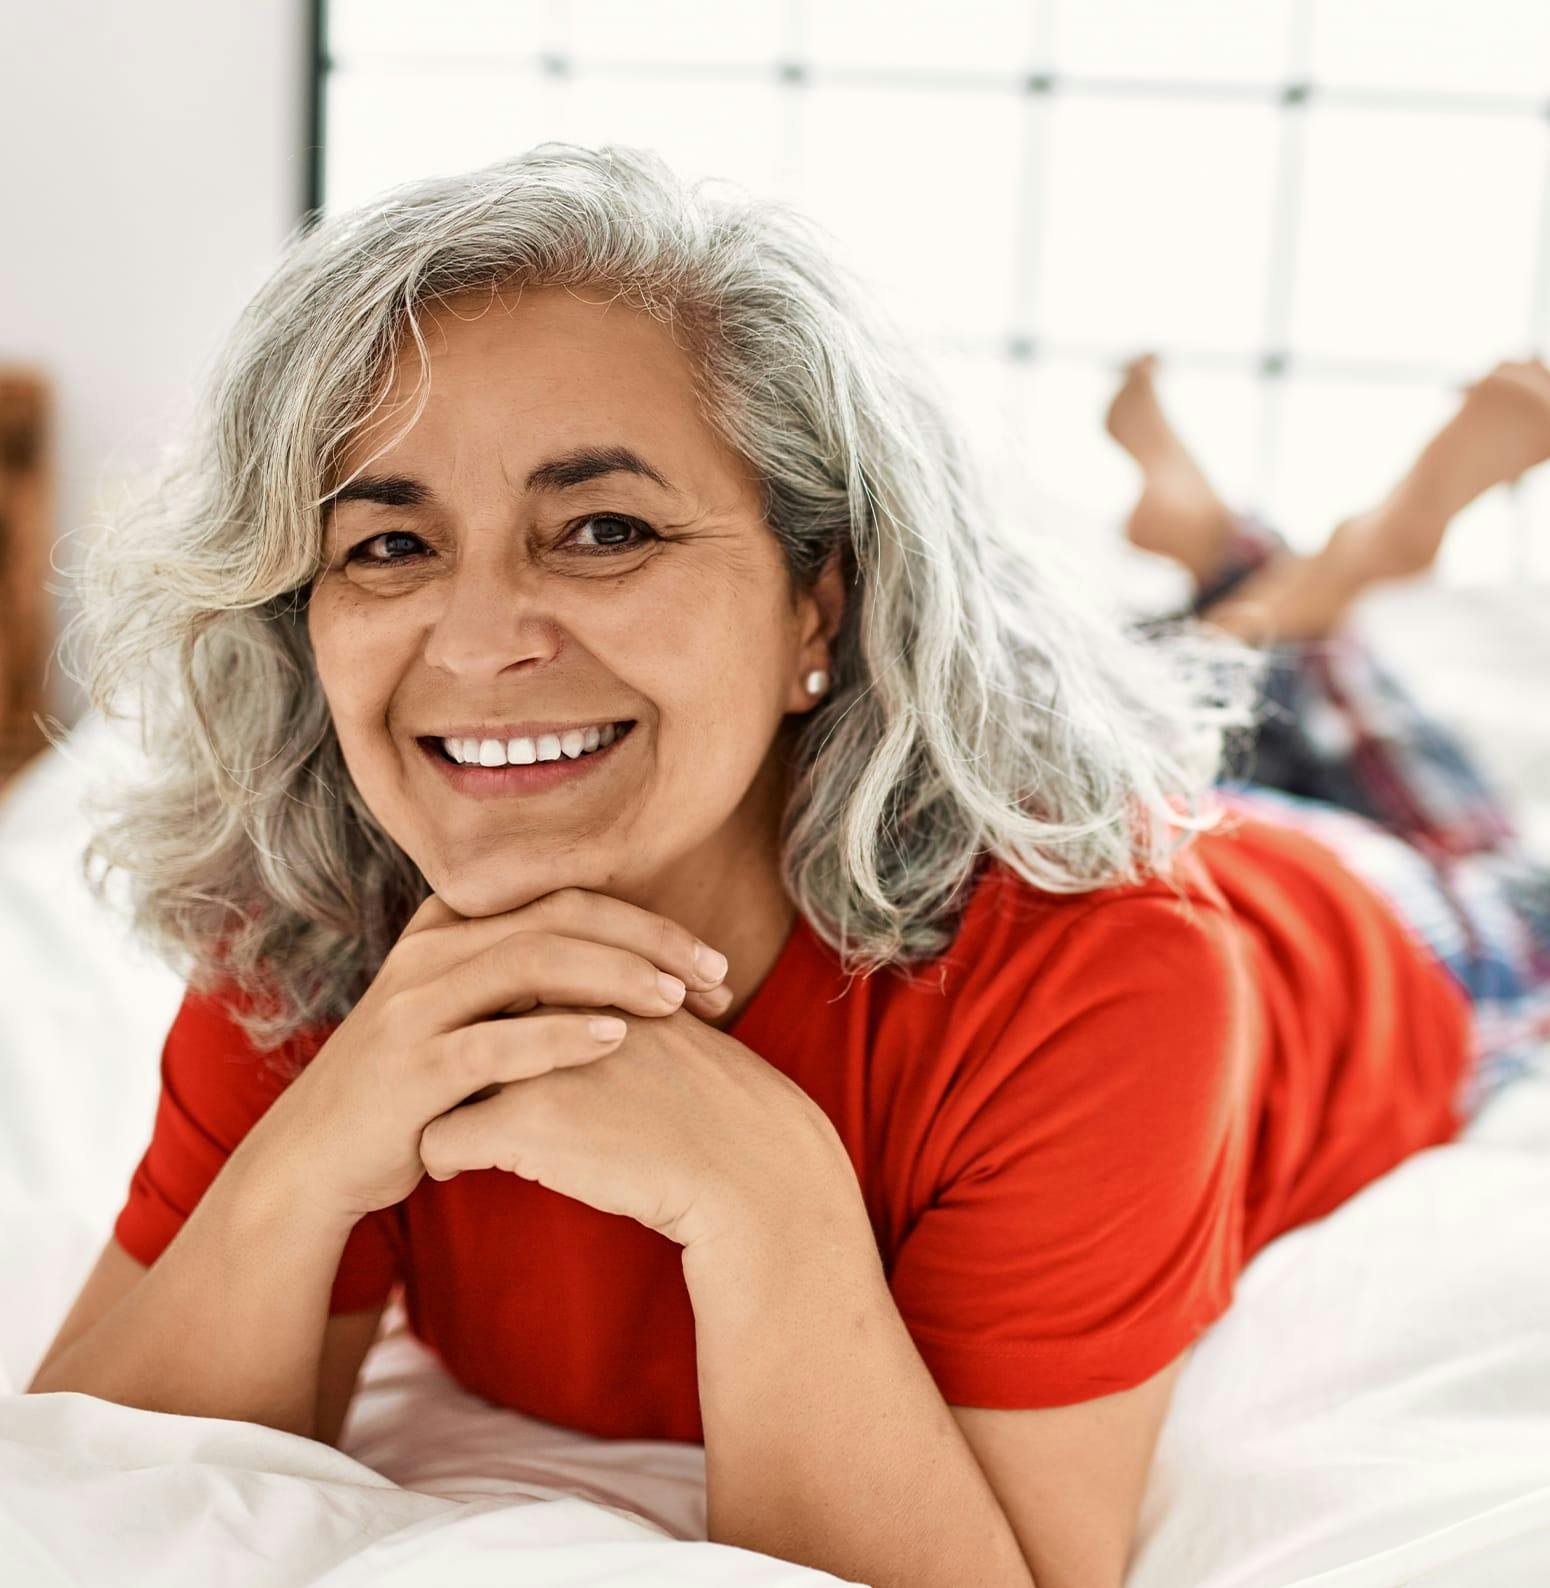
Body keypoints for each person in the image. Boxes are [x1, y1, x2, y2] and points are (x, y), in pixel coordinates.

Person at [19, 142, 1533, 1588]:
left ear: (818, 603)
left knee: (1343, 752)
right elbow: (76, 1495)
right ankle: (1234, 555)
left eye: (602, 528)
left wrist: (772, 1207)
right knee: (1205, 677)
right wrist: (311, 1153)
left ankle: (1358, 551)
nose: (478, 643)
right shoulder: (317, 930)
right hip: (972, 776)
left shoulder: (1112, 967)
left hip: (1381, 934)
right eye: (389, 548)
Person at [1108, 352, 1550, 1109]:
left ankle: (1274, 571)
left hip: (1221, 790)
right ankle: (1297, 576)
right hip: (1430, 895)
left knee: (1240, 721)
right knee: (1506, 913)